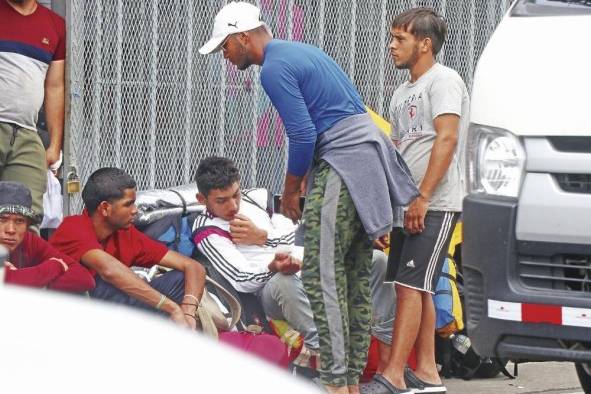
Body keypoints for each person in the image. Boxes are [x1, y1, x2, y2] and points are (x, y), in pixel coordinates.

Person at [200, 3, 419, 392]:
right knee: (353, 278)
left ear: (243, 37)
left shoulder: (273, 68)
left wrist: (290, 191)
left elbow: (301, 134)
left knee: (322, 278)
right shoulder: (301, 50)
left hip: (344, 165)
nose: (226, 57)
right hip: (362, 165)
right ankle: (350, 383)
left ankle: (335, 384)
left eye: (225, 48)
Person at [192, 156, 396, 368]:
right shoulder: (206, 230)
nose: (233, 205)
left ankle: (385, 358)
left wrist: (264, 238)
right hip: (272, 289)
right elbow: (242, 279)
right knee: (283, 280)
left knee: (377, 260)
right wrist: (274, 266)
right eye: (221, 201)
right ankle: (332, 363)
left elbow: (302, 232)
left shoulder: (256, 198)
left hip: (312, 264)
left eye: (236, 195)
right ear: (202, 199)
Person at [361, 8, 470, 394]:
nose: (391, 46)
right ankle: (426, 372)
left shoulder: (444, 81)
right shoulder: (401, 91)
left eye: (399, 39)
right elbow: (395, 151)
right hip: (406, 205)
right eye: (391, 38)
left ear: (424, 44)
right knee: (415, 286)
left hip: (434, 203)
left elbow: (447, 139)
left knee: (409, 287)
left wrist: (422, 197)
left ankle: (392, 376)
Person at [50, 168, 207, 330]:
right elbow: (108, 270)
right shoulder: (72, 227)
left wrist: (187, 312)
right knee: (97, 282)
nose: (135, 210)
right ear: (105, 208)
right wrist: (171, 307)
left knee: (180, 279)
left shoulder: (126, 233)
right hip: (71, 315)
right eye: (128, 204)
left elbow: (193, 267)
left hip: (115, 311)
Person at [0, 0, 66, 227]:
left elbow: (55, 86)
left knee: (25, 219)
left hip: (28, 134)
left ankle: (20, 265)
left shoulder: (55, 25)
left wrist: (55, 146)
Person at [0, 181, 95, 292]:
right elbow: (7, 281)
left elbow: (85, 279)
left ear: (27, 225)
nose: (11, 230)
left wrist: (30, 281)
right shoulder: (54, 264)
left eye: (19, 221)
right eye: (2, 219)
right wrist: (54, 266)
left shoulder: (30, 240)